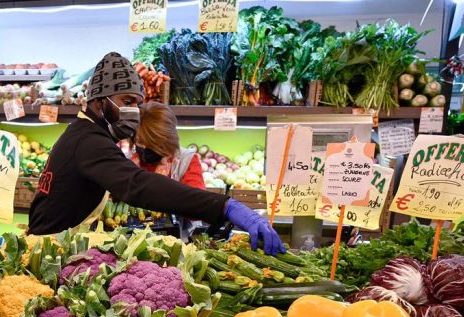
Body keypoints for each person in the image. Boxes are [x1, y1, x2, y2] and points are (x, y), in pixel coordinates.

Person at [27, 52, 285, 255]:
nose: (134, 113)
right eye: (127, 102)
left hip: (55, 247)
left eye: (138, 104)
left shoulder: (84, 134)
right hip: (46, 251)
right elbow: (138, 185)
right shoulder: (89, 141)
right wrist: (225, 206)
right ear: (99, 102)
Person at [131, 102, 204, 240]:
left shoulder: (185, 160)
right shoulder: (130, 162)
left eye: (151, 143)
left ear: (166, 140)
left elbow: (197, 208)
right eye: (139, 141)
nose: (144, 147)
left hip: (175, 240)